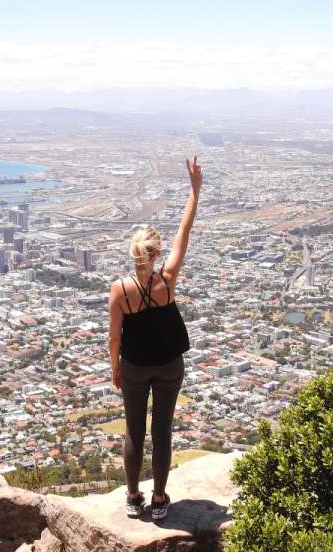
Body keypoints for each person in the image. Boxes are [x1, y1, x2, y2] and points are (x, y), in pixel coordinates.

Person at [108, 155, 202, 520]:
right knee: (162, 430)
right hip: (169, 365)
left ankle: (133, 498)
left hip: (133, 366)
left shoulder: (119, 290)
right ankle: (160, 499)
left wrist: (114, 368)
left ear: (132, 255)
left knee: (134, 430)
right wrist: (194, 191)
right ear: (156, 253)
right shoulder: (168, 279)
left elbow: (114, 338)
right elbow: (185, 230)